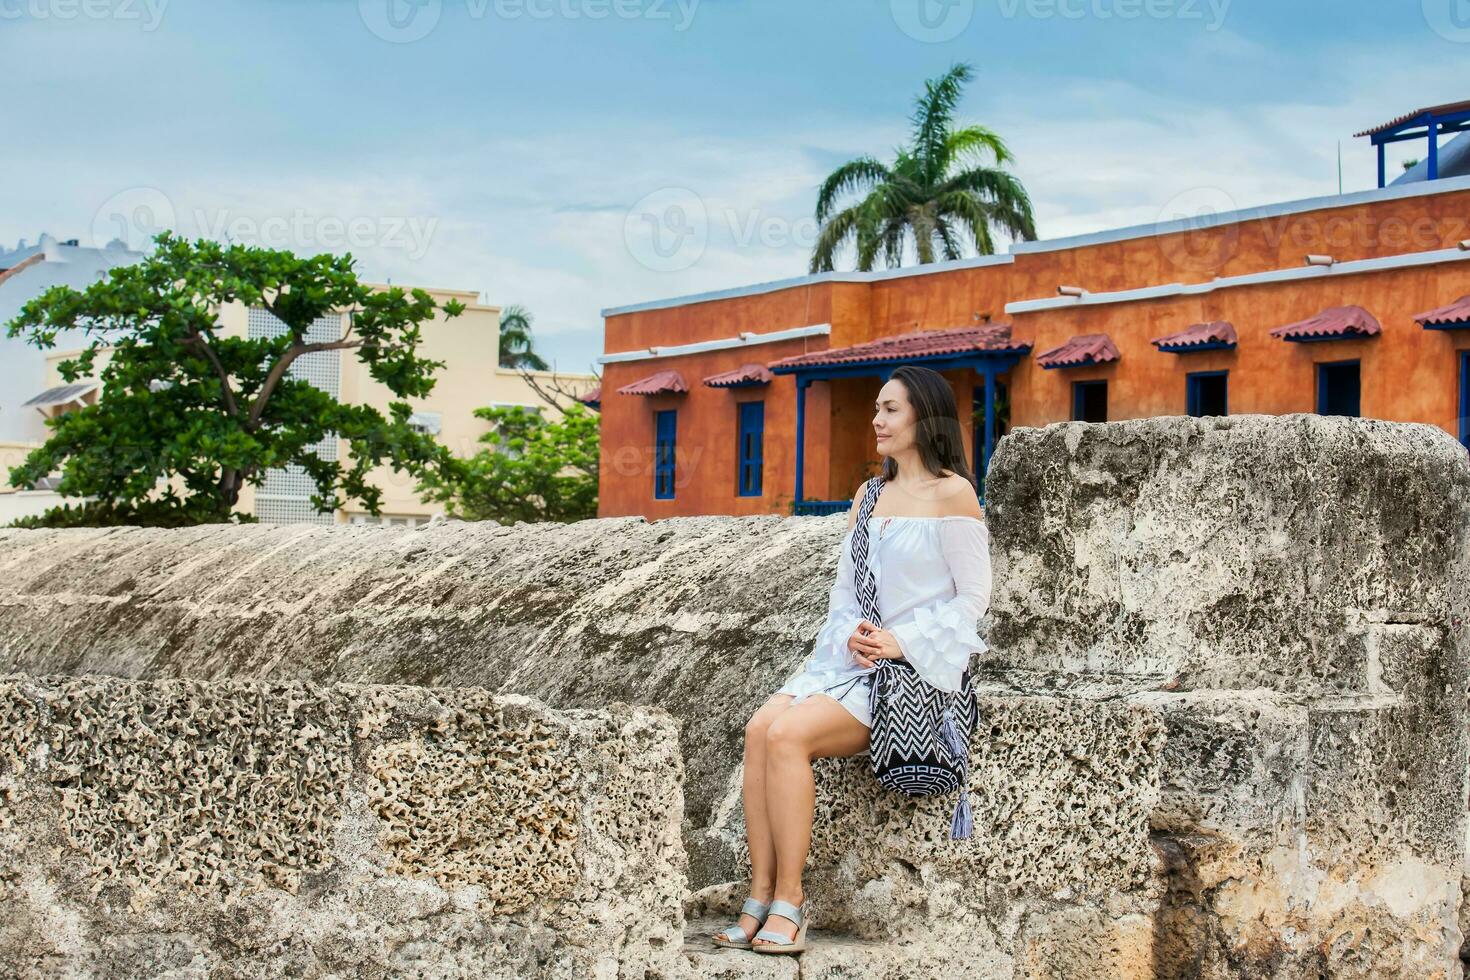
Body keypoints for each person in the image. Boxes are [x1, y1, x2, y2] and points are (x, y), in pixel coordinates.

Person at [711, 364, 993, 956]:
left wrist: (900, 642)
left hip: (915, 672)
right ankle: (758, 894)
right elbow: (846, 593)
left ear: (926, 416)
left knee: (788, 736)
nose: (876, 419)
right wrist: (851, 641)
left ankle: (792, 898)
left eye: (890, 409)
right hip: (851, 660)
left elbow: (973, 598)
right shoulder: (868, 496)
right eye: (877, 408)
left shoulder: (953, 493)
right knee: (760, 726)